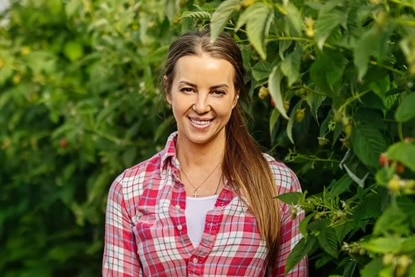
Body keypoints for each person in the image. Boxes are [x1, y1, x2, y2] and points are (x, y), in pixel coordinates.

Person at [102, 29, 308, 277]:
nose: (201, 106)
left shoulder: (277, 184)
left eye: (217, 92)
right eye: (188, 89)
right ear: (169, 91)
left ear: (235, 96)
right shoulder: (129, 190)